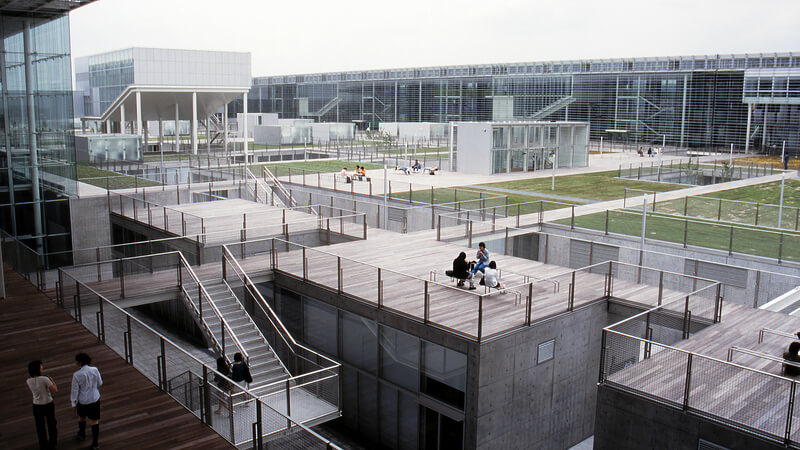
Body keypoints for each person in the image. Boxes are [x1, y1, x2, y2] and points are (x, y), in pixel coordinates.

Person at [71, 353, 102, 450]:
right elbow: (100, 383)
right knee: (94, 420)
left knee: (82, 417)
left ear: (79, 362)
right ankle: (95, 442)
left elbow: (74, 390)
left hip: (83, 400)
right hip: (94, 398)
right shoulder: (95, 370)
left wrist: (73, 403)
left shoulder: (76, 375)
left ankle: (82, 434)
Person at [27, 360, 58, 450]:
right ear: (37, 369)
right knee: (51, 424)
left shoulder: (28, 381)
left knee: (40, 426)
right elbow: (55, 390)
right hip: (48, 403)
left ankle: (43, 445)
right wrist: (52, 380)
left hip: (36, 405)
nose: (42, 369)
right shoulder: (45, 379)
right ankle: (52, 443)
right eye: (41, 367)